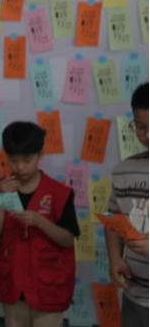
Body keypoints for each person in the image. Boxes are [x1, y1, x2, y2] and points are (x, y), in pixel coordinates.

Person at [0, 122, 80, 327]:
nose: (20, 167)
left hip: (48, 288)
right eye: (14, 160)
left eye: (27, 160)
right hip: (13, 285)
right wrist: (2, 199)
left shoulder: (59, 193)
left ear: (41, 155)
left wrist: (40, 221)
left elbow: (67, 239)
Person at [105, 82, 149, 327]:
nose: (147, 136)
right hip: (135, 295)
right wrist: (115, 258)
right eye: (141, 127)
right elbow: (114, 220)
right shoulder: (124, 170)